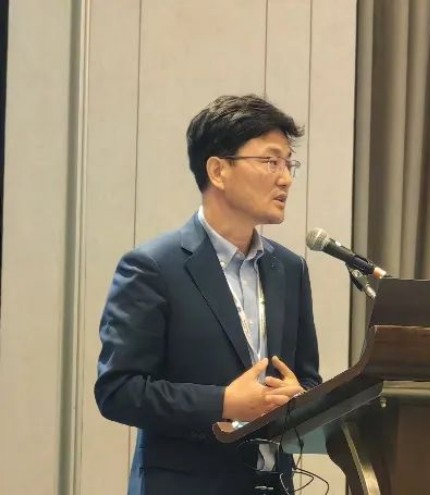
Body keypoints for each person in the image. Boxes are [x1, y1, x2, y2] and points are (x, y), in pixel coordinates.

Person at [95, 95, 322, 495]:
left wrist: (299, 397)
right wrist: (223, 402)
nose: (285, 178)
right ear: (218, 170)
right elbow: (119, 391)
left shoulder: (289, 269)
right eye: (271, 162)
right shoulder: (153, 267)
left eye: (290, 164)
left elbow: (304, 377)